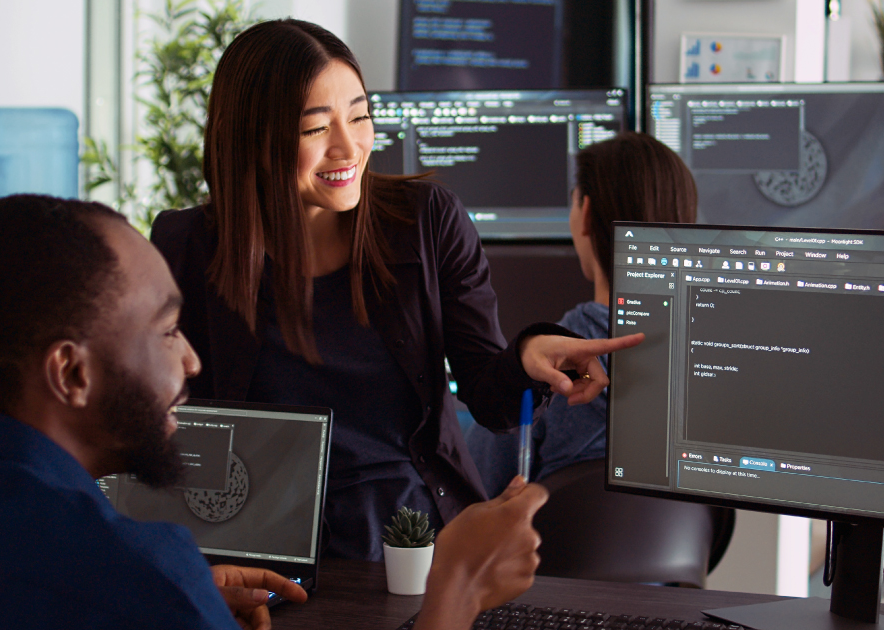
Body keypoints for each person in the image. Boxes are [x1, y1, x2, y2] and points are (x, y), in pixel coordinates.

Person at [0, 194, 551, 630]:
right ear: (71, 373)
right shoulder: (141, 581)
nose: (191, 361)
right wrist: (457, 590)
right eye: (165, 331)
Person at [150, 19, 643, 562]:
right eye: (316, 128)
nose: (349, 146)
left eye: (360, 116)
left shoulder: (428, 221)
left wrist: (527, 354)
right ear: (253, 138)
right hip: (259, 543)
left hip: (412, 533)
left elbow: (489, 398)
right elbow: (169, 418)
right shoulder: (188, 245)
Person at [466, 131, 698, 494]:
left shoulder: (545, 367)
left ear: (585, 212)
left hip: (557, 552)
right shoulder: (713, 366)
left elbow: (471, 491)